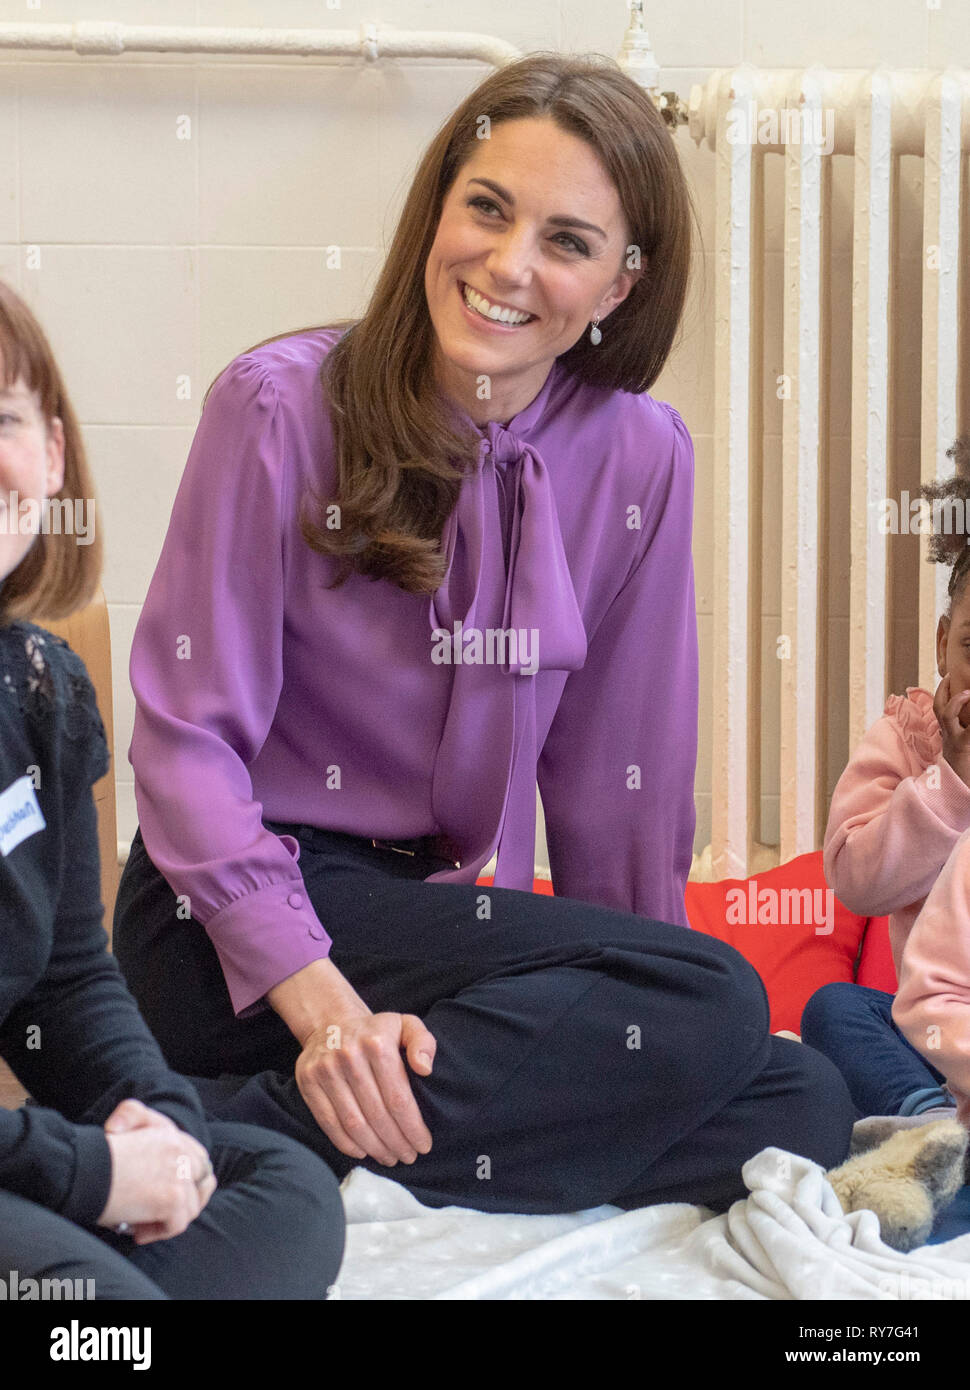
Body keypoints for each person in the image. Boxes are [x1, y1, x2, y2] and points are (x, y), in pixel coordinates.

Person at [112, 51, 855, 1216]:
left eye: (566, 241)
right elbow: (185, 746)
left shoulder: (640, 455)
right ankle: (236, 1134)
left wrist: (655, 1016)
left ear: (618, 284)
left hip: (430, 924)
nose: (507, 266)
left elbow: (624, 786)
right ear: (436, 212)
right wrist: (324, 1007)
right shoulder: (278, 407)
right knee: (713, 1010)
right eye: (487, 209)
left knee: (793, 1096)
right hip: (228, 919)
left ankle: (243, 1132)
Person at [0, 279, 345, 1299]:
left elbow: (66, 979)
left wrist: (163, 1121)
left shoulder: (41, 690)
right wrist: (90, 1173)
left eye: (1, 420)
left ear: (52, 454)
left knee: (281, 1186)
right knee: (96, 1300)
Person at [804, 436, 970, 1137]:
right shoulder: (910, 737)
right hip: (925, 1031)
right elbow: (856, 881)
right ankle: (930, 1131)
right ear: (941, 643)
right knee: (832, 1010)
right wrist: (950, 781)